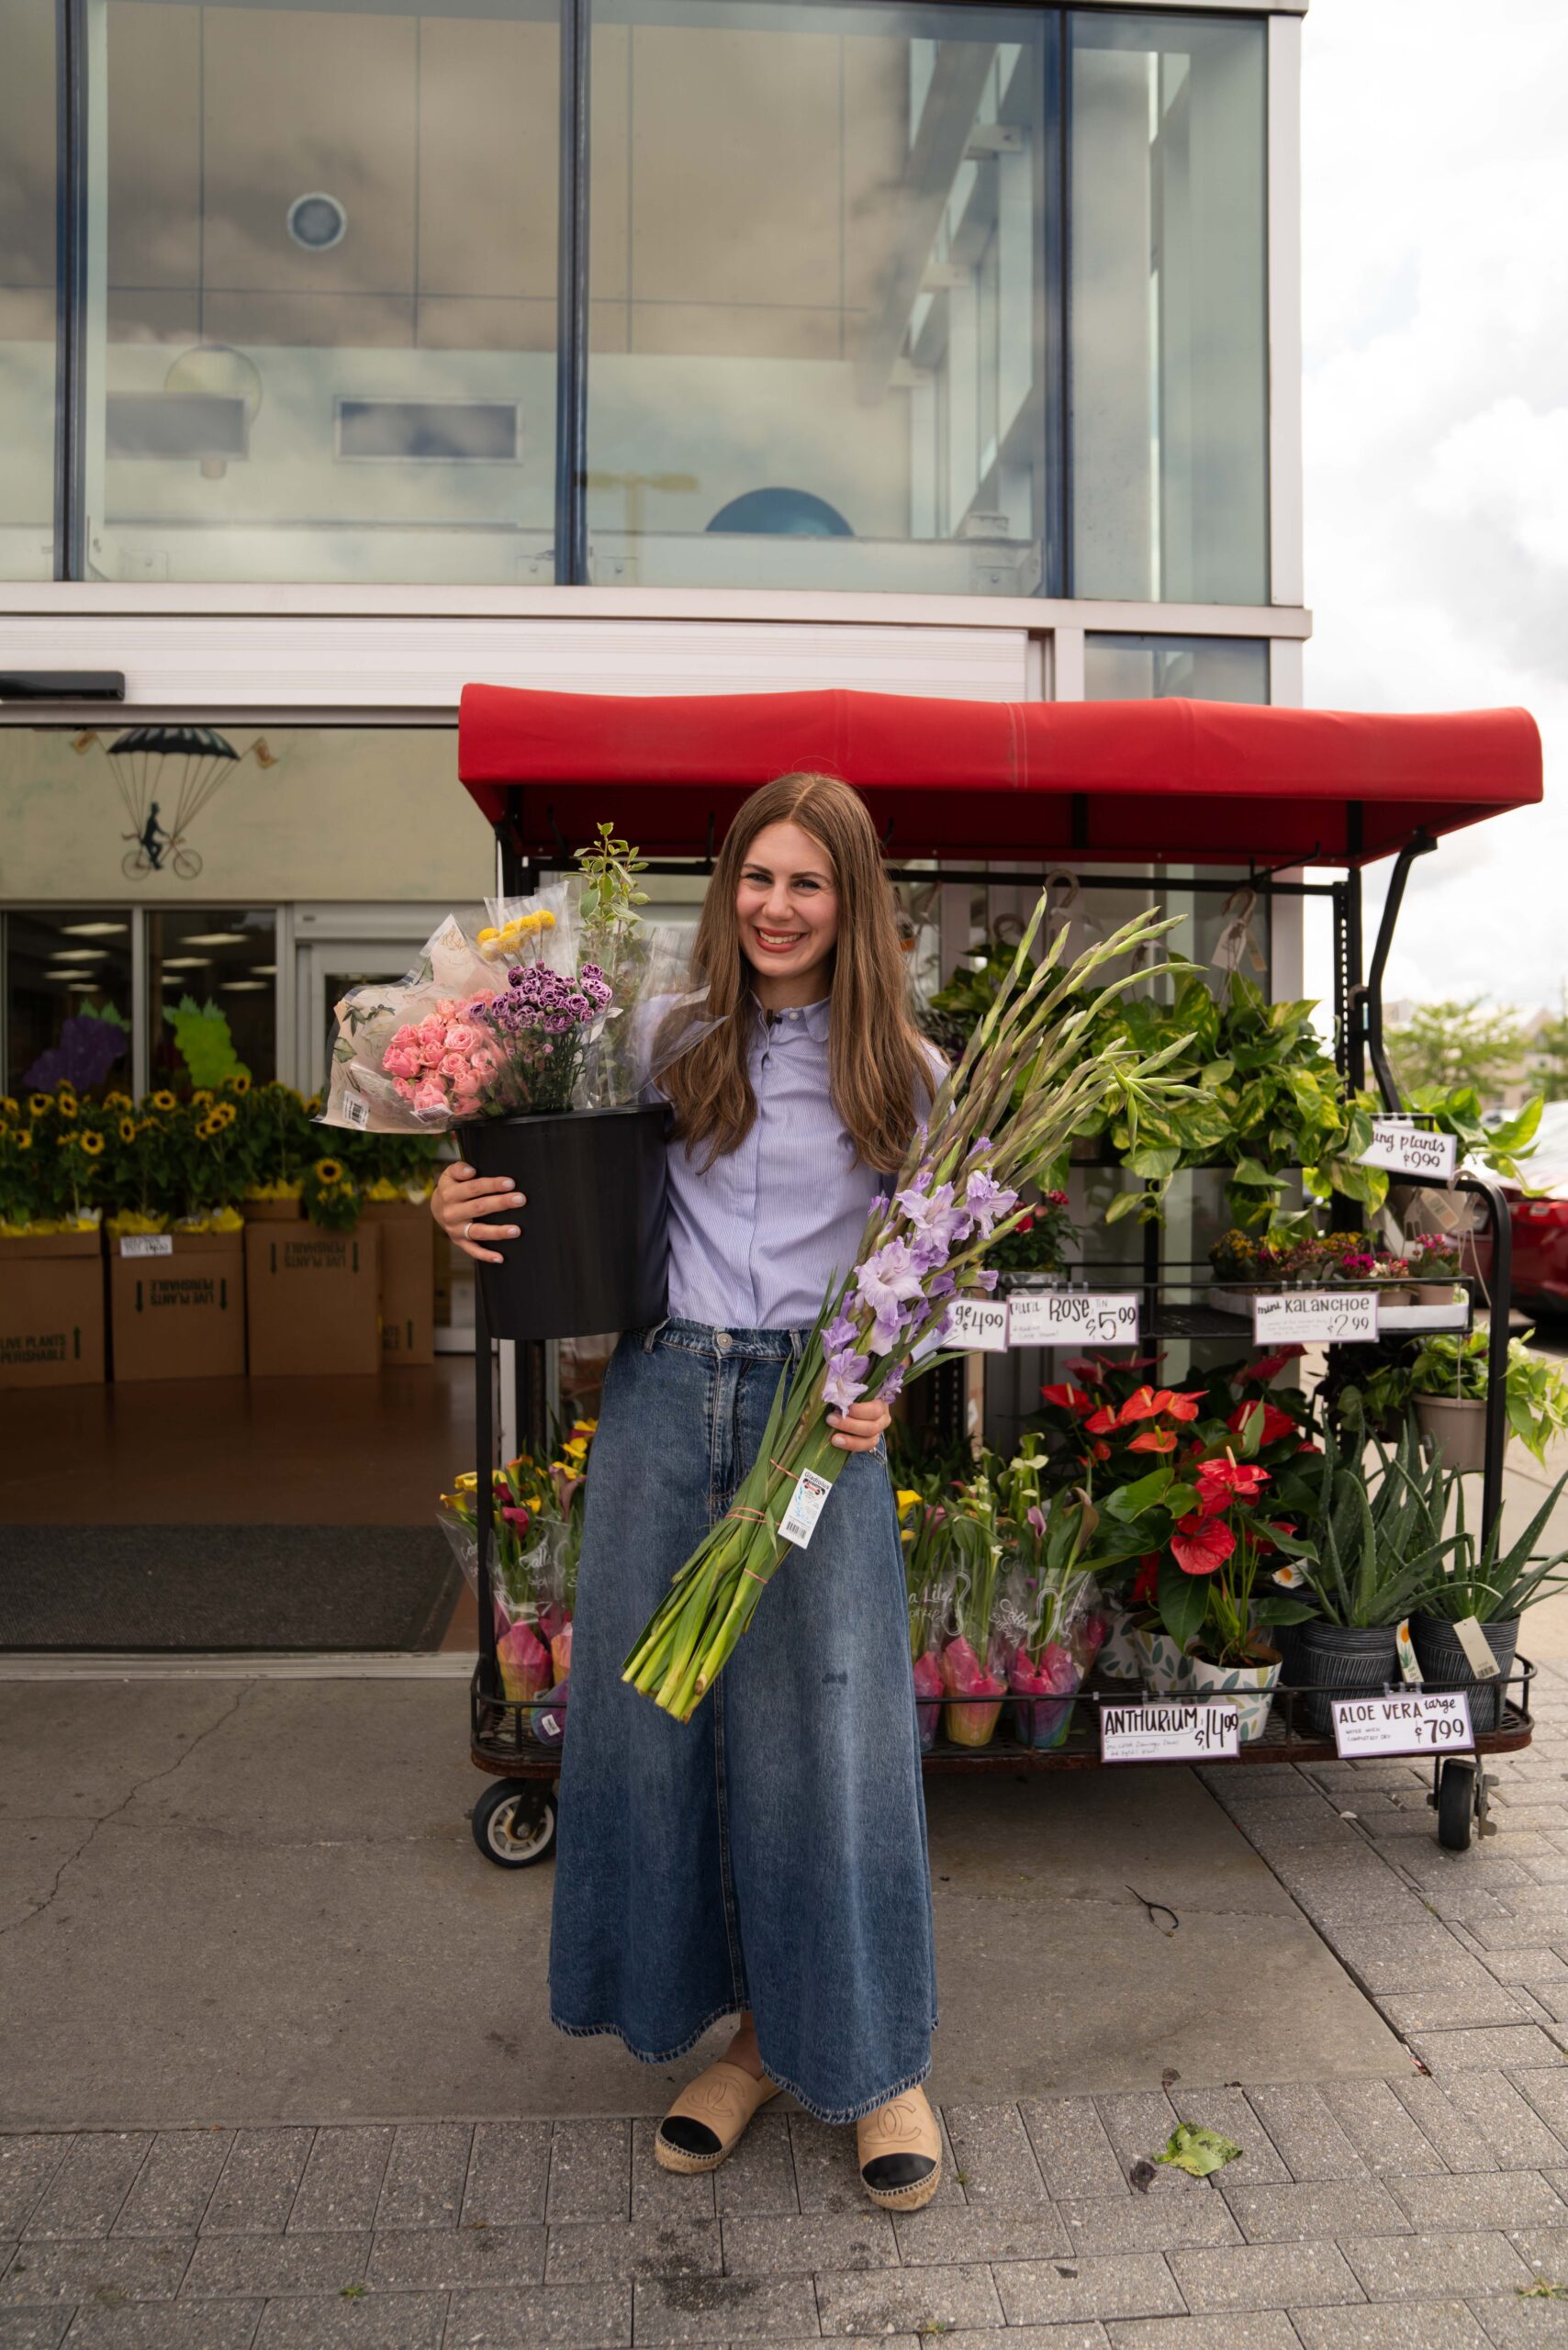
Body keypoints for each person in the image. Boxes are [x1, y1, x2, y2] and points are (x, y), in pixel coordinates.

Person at [431, 773, 943, 2210]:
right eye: (754, 879)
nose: (777, 907)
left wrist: (886, 1373)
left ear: (853, 903)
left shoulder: (908, 1070)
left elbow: (939, 1271)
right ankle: (749, 2042)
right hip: (663, 1398)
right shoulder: (661, 1039)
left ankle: (878, 2056)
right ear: (727, 892)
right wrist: (451, 1194)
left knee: (826, 1738)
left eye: (808, 883)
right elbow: (541, 1161)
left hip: (814, 1429)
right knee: (661, 1730)